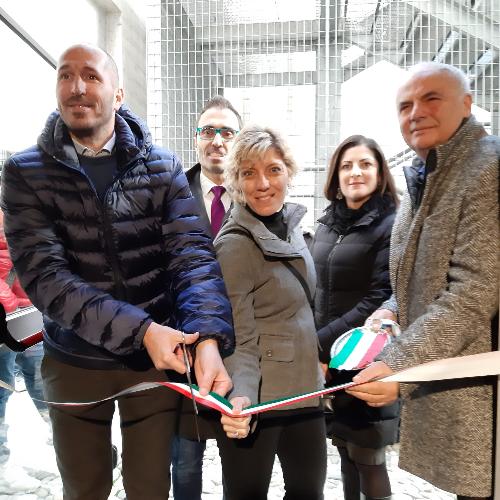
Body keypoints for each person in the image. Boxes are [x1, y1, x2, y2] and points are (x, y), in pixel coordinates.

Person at [1, 44, 234, 500]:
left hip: (152, 366)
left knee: (149, 488)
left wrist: (207, 337)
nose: (76, 87)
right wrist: (144, 330)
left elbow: (192, 257)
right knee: (84, 488)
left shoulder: (161, 166)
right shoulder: (26, 172)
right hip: (74, 361)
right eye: (65, 76)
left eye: (91, 76)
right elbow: (45, 277)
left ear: (119, 93)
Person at [347, 62, 499, 500]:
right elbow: (413, 280)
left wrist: (397, 362)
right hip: (454, 384)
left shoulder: (485, 167)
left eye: (432, 98)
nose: (416, 112)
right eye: (405, 105)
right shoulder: (427, 175)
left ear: (467, 105)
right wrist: (386, 313)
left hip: (481, 391)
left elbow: (474, 291)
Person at [212, 125, 326, 500]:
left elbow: (306, 307)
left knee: (309, 492)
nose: (263, 183)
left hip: (305, 395)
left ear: (288, 173)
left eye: (273, 169)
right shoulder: (234, 244)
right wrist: (241, 398)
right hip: (260, 400)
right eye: (249, 172)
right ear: (236, 181)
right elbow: (238, 335)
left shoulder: (292, 228)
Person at [310, 135, 400, 500]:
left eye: (365, 164)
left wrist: (319, 346)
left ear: (380, 173)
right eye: (347, 165)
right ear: (336, 175)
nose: (355, 172)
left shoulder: (390, 224)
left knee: (368, 458)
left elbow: (378, 298)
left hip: (363, 359)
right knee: (345, 450)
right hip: (328, 362)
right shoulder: (328, 223)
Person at [171, 95, 242, 500]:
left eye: (226, 131)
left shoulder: (256, 194)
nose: (217, 140)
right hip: (185, 347)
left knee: (241, 459)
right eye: (208, 131)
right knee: (184, 460)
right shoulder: (171, 192)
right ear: (197, 138)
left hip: (241, 346)